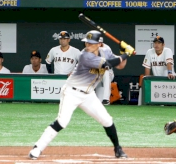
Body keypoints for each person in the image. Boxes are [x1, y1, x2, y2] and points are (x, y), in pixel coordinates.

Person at [29, 30, 135, 160]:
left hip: (88, 94)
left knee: (107, 120)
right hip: (72, 92)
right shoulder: (85, 56)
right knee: (62, 122)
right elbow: (108, 64)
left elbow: (120, 65)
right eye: (87, 42)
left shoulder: (106, 50)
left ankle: (118, 149)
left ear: (99, 44)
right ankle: (37, 148)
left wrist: (124, 52)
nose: (87, 45)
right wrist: (127, 54)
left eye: (91, 43)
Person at [95, 39, 115, 105]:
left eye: (100, 43)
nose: (98, 44)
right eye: (97, 42)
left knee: (105, 72)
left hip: (108, 72)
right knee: (99, 102)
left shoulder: (106, 49)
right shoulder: (90, 48)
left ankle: (106, 98)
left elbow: (112, 61)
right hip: (96, 74)